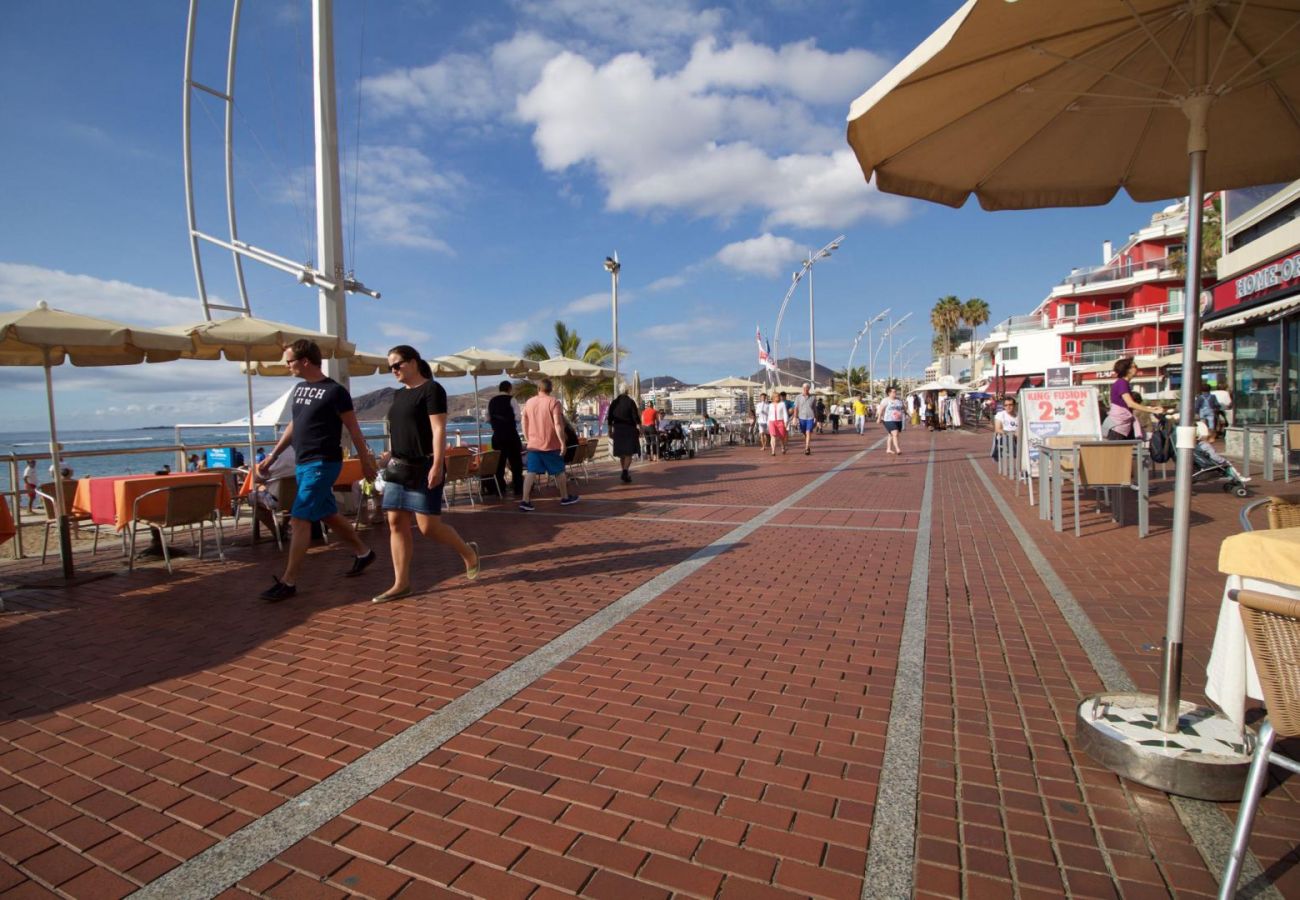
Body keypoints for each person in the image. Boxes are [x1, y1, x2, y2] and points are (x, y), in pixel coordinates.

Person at [256, 339, 379, 602]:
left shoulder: (335, 392)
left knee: (300, 519)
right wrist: (273, 456)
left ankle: (289, 582)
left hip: (323, 463)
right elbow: (294, 424)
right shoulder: (300, 389)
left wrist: (366, 461)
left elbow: (354, 429)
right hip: (303, 462)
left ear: (305, 361)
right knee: (327, 513)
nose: (287, 366)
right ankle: (364, 552)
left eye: (289, 361)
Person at [371, 344, 479, 604]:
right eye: (390, 367)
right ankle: (401, 583)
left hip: (424, 465)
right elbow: (401, 429)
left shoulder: (432, 389)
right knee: (395, 522)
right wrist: (388, 453)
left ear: (414, 362)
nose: (393, 370)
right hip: (398, 467)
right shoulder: (398, 396)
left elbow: (438, 430)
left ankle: (468, 553)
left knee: (428, 527)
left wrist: (437, 464)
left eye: (397, 364)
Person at [519, 378, 578, 511]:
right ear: (551, 389)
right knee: (559, 471)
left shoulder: (529, 402)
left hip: (534, 444)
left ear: (538, 389)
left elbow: (524, 422)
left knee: (531, 472)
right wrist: (562, 443)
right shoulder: (554, 402)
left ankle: (525, 500)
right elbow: (557, 424)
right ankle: (564, 497)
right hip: (551, 444)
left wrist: (528, 438)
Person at [1102, 357, 1163, 440]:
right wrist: (1152, 410)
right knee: (1117, 452)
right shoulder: (1122, 383)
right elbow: (1130, 403)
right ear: (1127, 370)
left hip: (1119, 425)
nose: (1137, 368)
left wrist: (1150, 408)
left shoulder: (1123, 383)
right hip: (1117, 426)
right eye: (1134, 366)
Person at [487, 380, 524, 498]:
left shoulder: (491, 401)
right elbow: (518, 417)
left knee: (499, 464)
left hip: (497, 436)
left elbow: (487, 418)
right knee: (516, 463)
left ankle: (500, 489)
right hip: (511, 435)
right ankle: (518, 487)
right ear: (509, 389)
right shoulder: (512, 399)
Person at [607, 382, 641, 483]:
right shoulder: (630, 402)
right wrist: (641, 427)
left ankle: (624, 473)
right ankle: (625, 471)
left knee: (622, 453)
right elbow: (635, 417)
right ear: (627, 390)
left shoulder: (614, 402)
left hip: (617, 429)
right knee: (629, 453)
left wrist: (609, 430)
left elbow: (610, 418)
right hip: (629, 429)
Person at [877, 385, 905, 454]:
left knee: (891, 434)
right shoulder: (886, 400)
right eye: (893, 392)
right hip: (888, 420)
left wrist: (909, 414)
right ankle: (898, 449)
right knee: (895, 433)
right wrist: (879, 418)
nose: (895, 393)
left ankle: (888, 449)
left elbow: (903, 408)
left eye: (896, 392)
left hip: (898, 420)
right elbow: (881, 409)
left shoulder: (899, 400)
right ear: (889, 393)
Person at [794, 384, 818, 455]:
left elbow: (814, 409)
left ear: (809, 389)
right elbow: (796, 408)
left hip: (810, 417)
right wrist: (795, 417)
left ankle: (807, 448)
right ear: (802, 388)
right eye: (804, 388)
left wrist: (816, 418)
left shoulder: (813, 398)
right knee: (804, 432)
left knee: (808, 432)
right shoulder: (798, 397)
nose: (805, 389)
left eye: (807, 388)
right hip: (801, 417)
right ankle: (807, 443)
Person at [993, 397, 1018, 463]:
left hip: (1018, 437)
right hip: (1004, 436)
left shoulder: (1018, 415)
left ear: (1014, 405)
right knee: (1009, 437)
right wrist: (1011, 433)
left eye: (1010, 405)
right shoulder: (1000, 415)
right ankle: (1016, 454)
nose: (1008, 407)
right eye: (1006, 405)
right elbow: (997, 429)